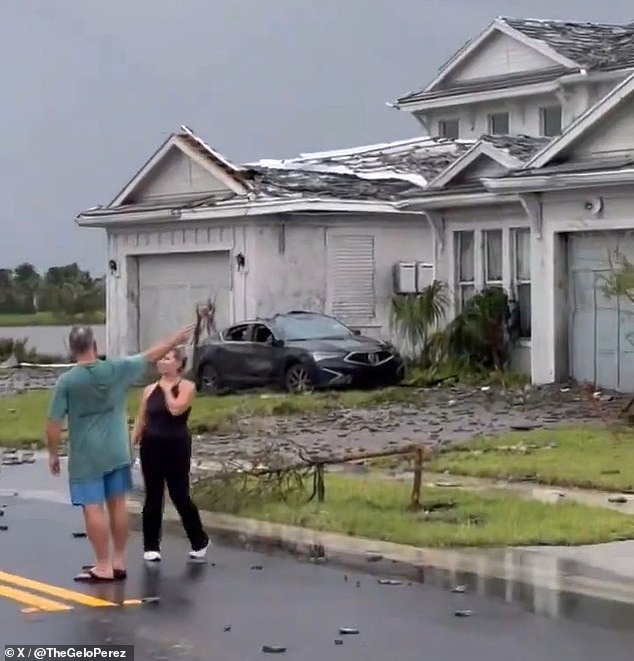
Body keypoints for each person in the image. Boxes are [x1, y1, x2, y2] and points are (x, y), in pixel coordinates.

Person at [45, 322, 195, 583]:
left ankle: (103, 565)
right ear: (94, 346)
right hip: (116, 450)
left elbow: (53, 423)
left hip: (86, 455)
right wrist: (174, 339)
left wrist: (53, 453)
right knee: (117, 505)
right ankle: (119, 561)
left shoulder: (67, 382)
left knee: (93, 508)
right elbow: (151, 354)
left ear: (72, 350)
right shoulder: (117, 369)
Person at [131, 346, 210, 562]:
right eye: (161, 358)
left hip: (176, 445)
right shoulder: (148, 390)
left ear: (178, 364)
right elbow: (142, 419)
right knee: (153, 494)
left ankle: (199, 539)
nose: (161, 362)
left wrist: (166, 388)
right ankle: (151, 545)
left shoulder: (187, 386)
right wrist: (132, 442)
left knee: (179, 494)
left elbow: (176, 409)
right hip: (151, 445)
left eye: (167, 359)